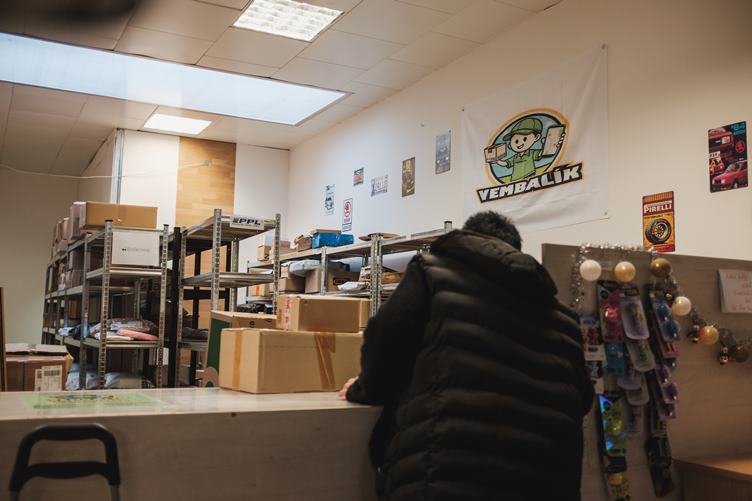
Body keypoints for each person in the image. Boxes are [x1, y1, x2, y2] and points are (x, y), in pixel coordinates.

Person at [341, 211, 594, 501]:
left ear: (469, 237)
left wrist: (364, 390)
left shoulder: (431, 272)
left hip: (446, 471)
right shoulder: (564, 318)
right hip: (547, 481)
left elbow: (387, 340)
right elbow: (583, 398)